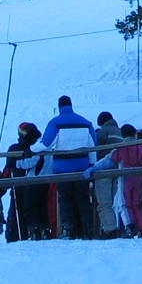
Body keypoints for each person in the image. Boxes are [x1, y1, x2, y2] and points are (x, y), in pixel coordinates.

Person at [40, 95, 98, 239]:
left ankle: (68, 229)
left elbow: (45, 144)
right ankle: (87, 229)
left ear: (60, 106)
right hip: (82, 169)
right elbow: (93, 146)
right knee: (83, 199)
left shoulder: (55, 123)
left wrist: (29, 151)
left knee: (66, 200)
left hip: (63, 170)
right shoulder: (85, 123)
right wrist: (91, 166)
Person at [85, 125, 142, 236]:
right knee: (137, 203)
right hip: (139, 178)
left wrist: (93, 168)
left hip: (125, 178)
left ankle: (130, 226)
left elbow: (108, 161)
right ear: (135, 134)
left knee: (124, 203)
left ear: (122, 135)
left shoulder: (121, 148)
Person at [4, 122, 50, 241]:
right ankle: (41, 229)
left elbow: (31, 162)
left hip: (30, 182)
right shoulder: (43, 144)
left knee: (30, 208)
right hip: (42, 181)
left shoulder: (33, 147)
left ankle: (31, 231)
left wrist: (16, 163)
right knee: (40, 207)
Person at [93, 111, 123, 238]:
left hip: (104, 169)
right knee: (113, 201)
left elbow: (95, 147)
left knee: (104, 202)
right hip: (117, 169)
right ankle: (115, 226)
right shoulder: (119, 131)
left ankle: (110, 229)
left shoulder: (103, 132)